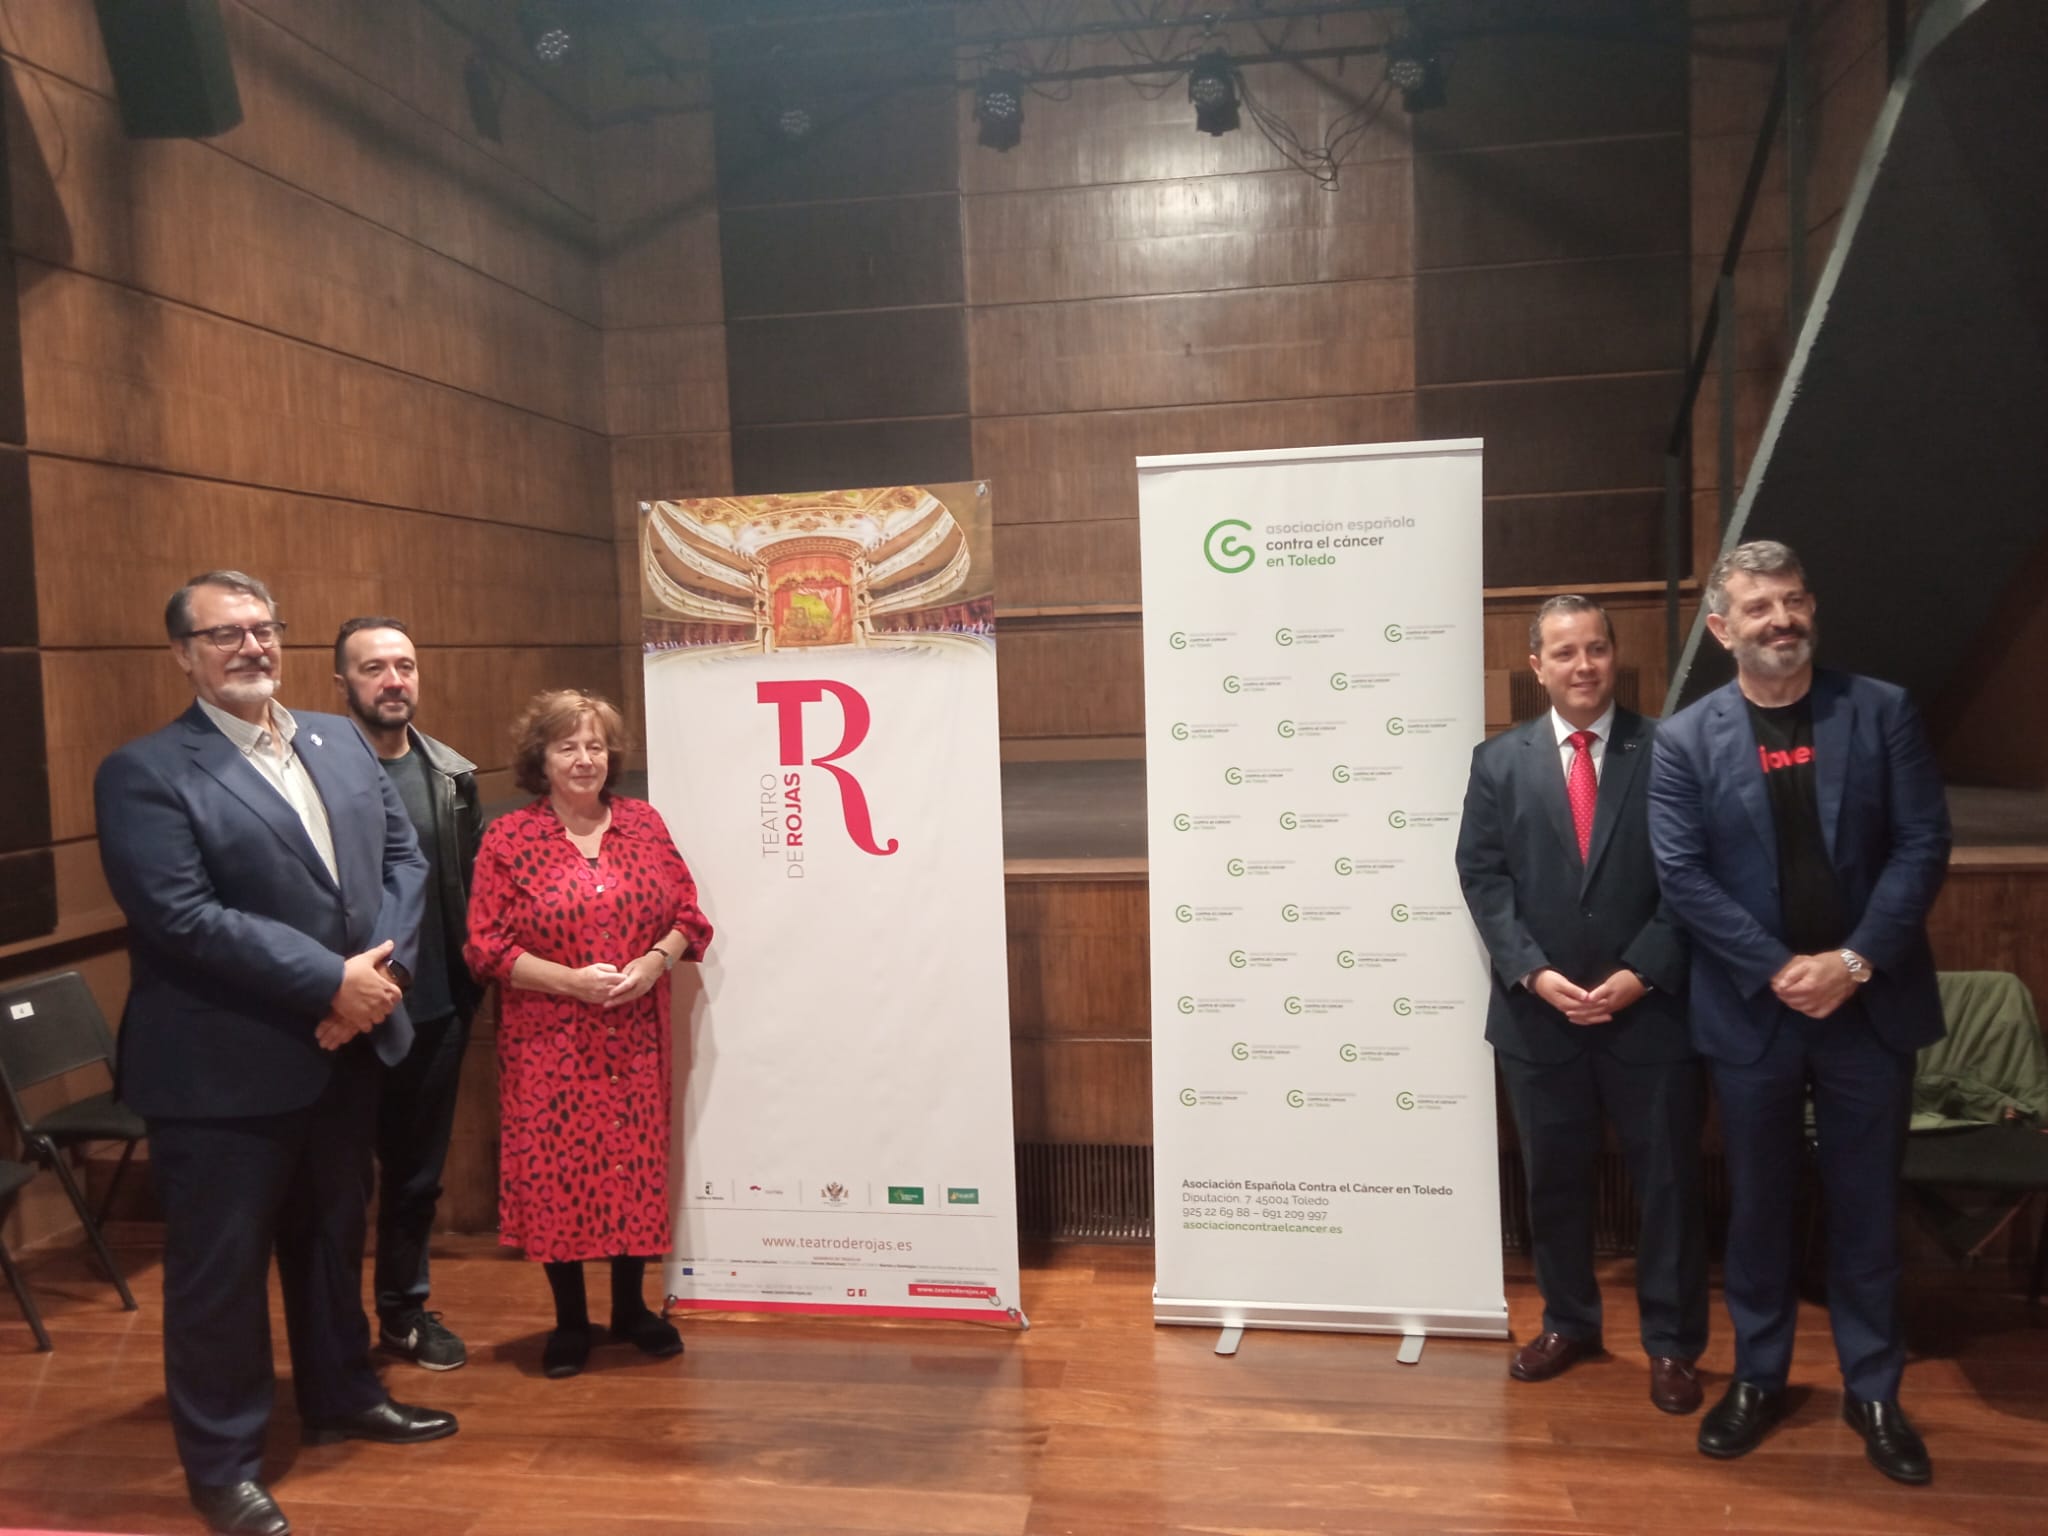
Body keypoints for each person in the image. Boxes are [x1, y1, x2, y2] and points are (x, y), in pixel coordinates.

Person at [95, 572, 456, 1536]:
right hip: (222, 1070)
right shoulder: (144, 771)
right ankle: (222, 1464)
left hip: (344, 1051)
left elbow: (404, 862)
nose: (251, 647)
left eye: (262, 629)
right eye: (224, 635)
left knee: (333, 1242)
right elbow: (182, 916)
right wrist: (330, 983)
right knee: (220, 1277)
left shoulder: (337, 740)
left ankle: (343, 1394)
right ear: (183, 655)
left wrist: (376, 980)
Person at [1649, 540, 1950, 1484]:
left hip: (1869, 1005)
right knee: (1759, 1208)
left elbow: (1922, 844)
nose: (1780, 619)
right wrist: (1781, 968)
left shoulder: (1882, 710)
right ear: (1721, 627)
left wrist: (1852, 963)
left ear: (1811, 607)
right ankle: (1759, 1377)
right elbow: (1682, 876)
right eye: (1758, 606)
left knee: (1867, 1207)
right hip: (1756, 1013)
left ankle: (1874, 1388)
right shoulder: (1684, 740)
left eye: (1793, 600)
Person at [1456, 595, 1706, 1415]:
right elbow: (1483, 877)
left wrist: (1643, 971)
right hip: (1541, 1018)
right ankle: (1568, 1322)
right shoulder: (1497, 762)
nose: (1584, 665)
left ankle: (1672, 1345)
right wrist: (1531, 972)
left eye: (1596, 648)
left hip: (1651, 1013)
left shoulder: (1669, 751)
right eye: (1564, 653)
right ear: (1537, 666)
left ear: (1614, 654)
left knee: (1668, 1187)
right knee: (1553, 1184)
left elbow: (1694, 876)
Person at [463, 689, 712, 1379]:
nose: (584, 759)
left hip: (635, 1034)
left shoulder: (644, 824)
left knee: (632, 1167)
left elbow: (689, 917)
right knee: (559, 1174)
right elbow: (485, 947)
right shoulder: (509, 839)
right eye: (567, 746)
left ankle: (631, 1308)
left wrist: (653, 963)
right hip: (548, 1041)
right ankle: (570, 1320)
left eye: (595, 745)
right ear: (540, 759)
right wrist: (569, 982)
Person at [333, 617, 483, 1371]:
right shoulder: (314, 775)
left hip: (433, 1012)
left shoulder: (451, 776)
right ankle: (333, 1338)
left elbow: (470, 890)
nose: (393, 681)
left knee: (416, 1180)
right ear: (342, 684)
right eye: (374, 668)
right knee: (336, 1185)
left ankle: (403, 1312)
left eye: (405, 666)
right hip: (339, 1017)